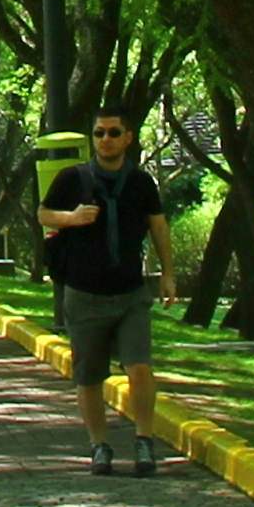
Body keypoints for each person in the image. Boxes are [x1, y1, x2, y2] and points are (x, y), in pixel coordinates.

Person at [38, 106, 183, 475]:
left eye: (114, 133)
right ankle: (99, 446)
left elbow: (159, 227)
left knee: (139, 368)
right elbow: (43, 214)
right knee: (89, 377)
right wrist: (71, 218)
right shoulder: (72, 179)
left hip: (131, 294)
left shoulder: (141, 183)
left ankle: (144, 441)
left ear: (128, 138)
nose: (106, 140)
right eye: (100, 133)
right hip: (84, 293)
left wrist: (168, 273)